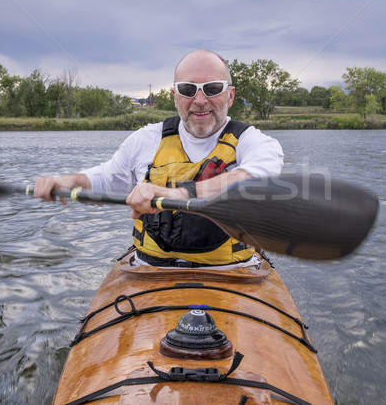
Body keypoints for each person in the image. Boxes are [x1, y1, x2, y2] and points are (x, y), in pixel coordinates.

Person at [35, 49, 283, 267]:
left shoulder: (254, 142)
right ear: (175, 96)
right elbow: (106, 178)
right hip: (149, 272)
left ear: (230, 95)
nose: (199, 100)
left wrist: (180, 194)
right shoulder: (145, 139)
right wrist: (67, 181)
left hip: (233, 273)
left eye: (212, 88)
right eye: (187, 89)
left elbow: (256, 180)